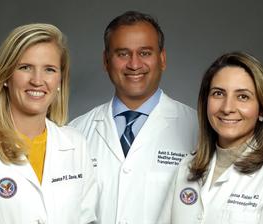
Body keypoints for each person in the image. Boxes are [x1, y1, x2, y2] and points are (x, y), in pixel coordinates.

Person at [0, 23, 97, 223]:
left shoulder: (75, 144)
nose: (37, 80)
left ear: (60, 81)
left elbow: (86, 219)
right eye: (25, 67)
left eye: (49, 69)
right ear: (6, 76)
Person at [69, 11, 198, 223]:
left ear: (162, 59)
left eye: (145, 53)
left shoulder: (197, 130)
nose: (134, 64)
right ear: (106, 61)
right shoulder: (76, 132)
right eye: (123, 54)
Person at [158, 52, 263, 224]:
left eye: (243, 97)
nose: (227, 107)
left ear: (262, 109)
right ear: (205, 102)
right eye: (218, 94)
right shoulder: (187, 167)